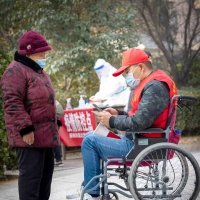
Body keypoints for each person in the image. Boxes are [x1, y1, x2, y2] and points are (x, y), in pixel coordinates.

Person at [68, 48, 178, 199]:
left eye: (127, 71)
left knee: (90, 141)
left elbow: (139, 122)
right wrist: (117, 113)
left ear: (140, 67)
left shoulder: (155, 87)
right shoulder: (150, 83)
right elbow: (140, 116)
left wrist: (112, 121)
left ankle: (92, 195)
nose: (127, 76)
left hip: (144, 145)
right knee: (90, 135)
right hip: (138, 140)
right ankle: (92, 189)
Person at [0, 30, 62, 200]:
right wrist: (25, 128)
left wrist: (56, 123)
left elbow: (45, 102)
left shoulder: (39, 72)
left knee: (44, 185)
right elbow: (12, 102)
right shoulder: (15, 71)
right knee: (31, 185)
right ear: (29, 52)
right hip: (29, 139)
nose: (44, 56)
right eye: (41, 53)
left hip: (46, 137)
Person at [54, 100, 64, 167]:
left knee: (53, 139)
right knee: (55, 138)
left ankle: (58, 159)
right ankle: (59, 159)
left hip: (54, 116)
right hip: (57, 116)